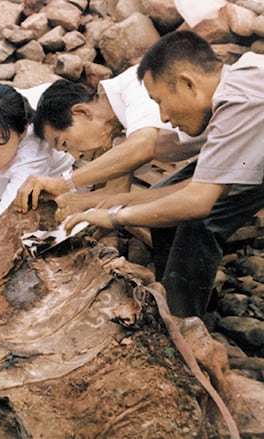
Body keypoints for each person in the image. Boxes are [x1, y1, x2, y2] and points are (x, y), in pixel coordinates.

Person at [63, 30, 264, 318]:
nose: (163, 118)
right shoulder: (237, 80)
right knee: (164, 203)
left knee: (196, 219)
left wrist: (116, 217)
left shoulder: (240, 101)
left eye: (160, 101)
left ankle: (181, 323)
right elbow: (195, 185)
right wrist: (125, 201)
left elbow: (198, 200)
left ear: (187, 84)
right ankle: (185, 302)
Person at [14, 65, 204, 220]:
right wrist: (69, 202)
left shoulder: (134, 84)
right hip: (211, 155)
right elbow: (114, 192)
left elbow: (142, 147)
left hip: (222, 150)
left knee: (185, 215)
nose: (76, 155)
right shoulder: (117, 135)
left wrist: (64, 183)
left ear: (81, 112)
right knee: (159, 210)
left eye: (65, 143)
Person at [0, 83, 74, 219]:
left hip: (67, 167)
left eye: (0, 143)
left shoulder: (33, 155)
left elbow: (4, 216)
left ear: (23, 130)